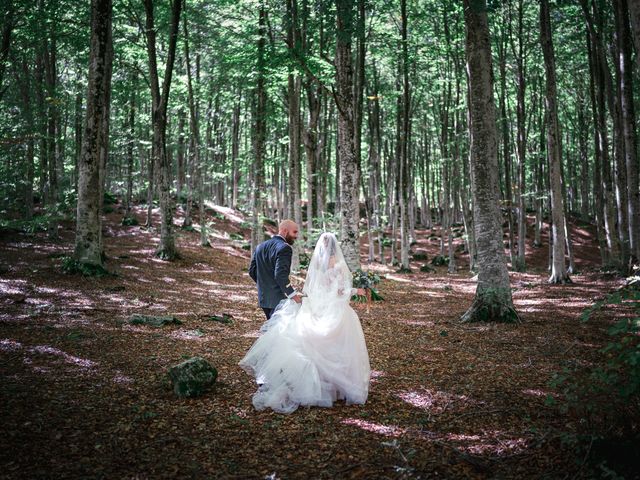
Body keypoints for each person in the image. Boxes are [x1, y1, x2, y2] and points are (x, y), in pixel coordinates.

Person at [240, 232, 370, 414]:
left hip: (318, 306)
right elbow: (340, 290)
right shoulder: (338, 265)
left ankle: (321, 387)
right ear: (335, 247)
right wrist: (358, 291)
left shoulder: (317, 264)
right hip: (335, 309)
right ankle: (338, 389)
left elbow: (314, 288)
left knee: (314, 346)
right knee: (340, 347)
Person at [249, 219, 303, 320]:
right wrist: (293, 296)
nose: (296, 236)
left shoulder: (260, 246)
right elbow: (280, 275)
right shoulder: (285, 248)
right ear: (285, 231)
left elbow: (252, 271)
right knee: (280, 332)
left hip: (264, 297)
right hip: (278, 298)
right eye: (294, 232)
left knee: (272, 330)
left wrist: (265, 285)